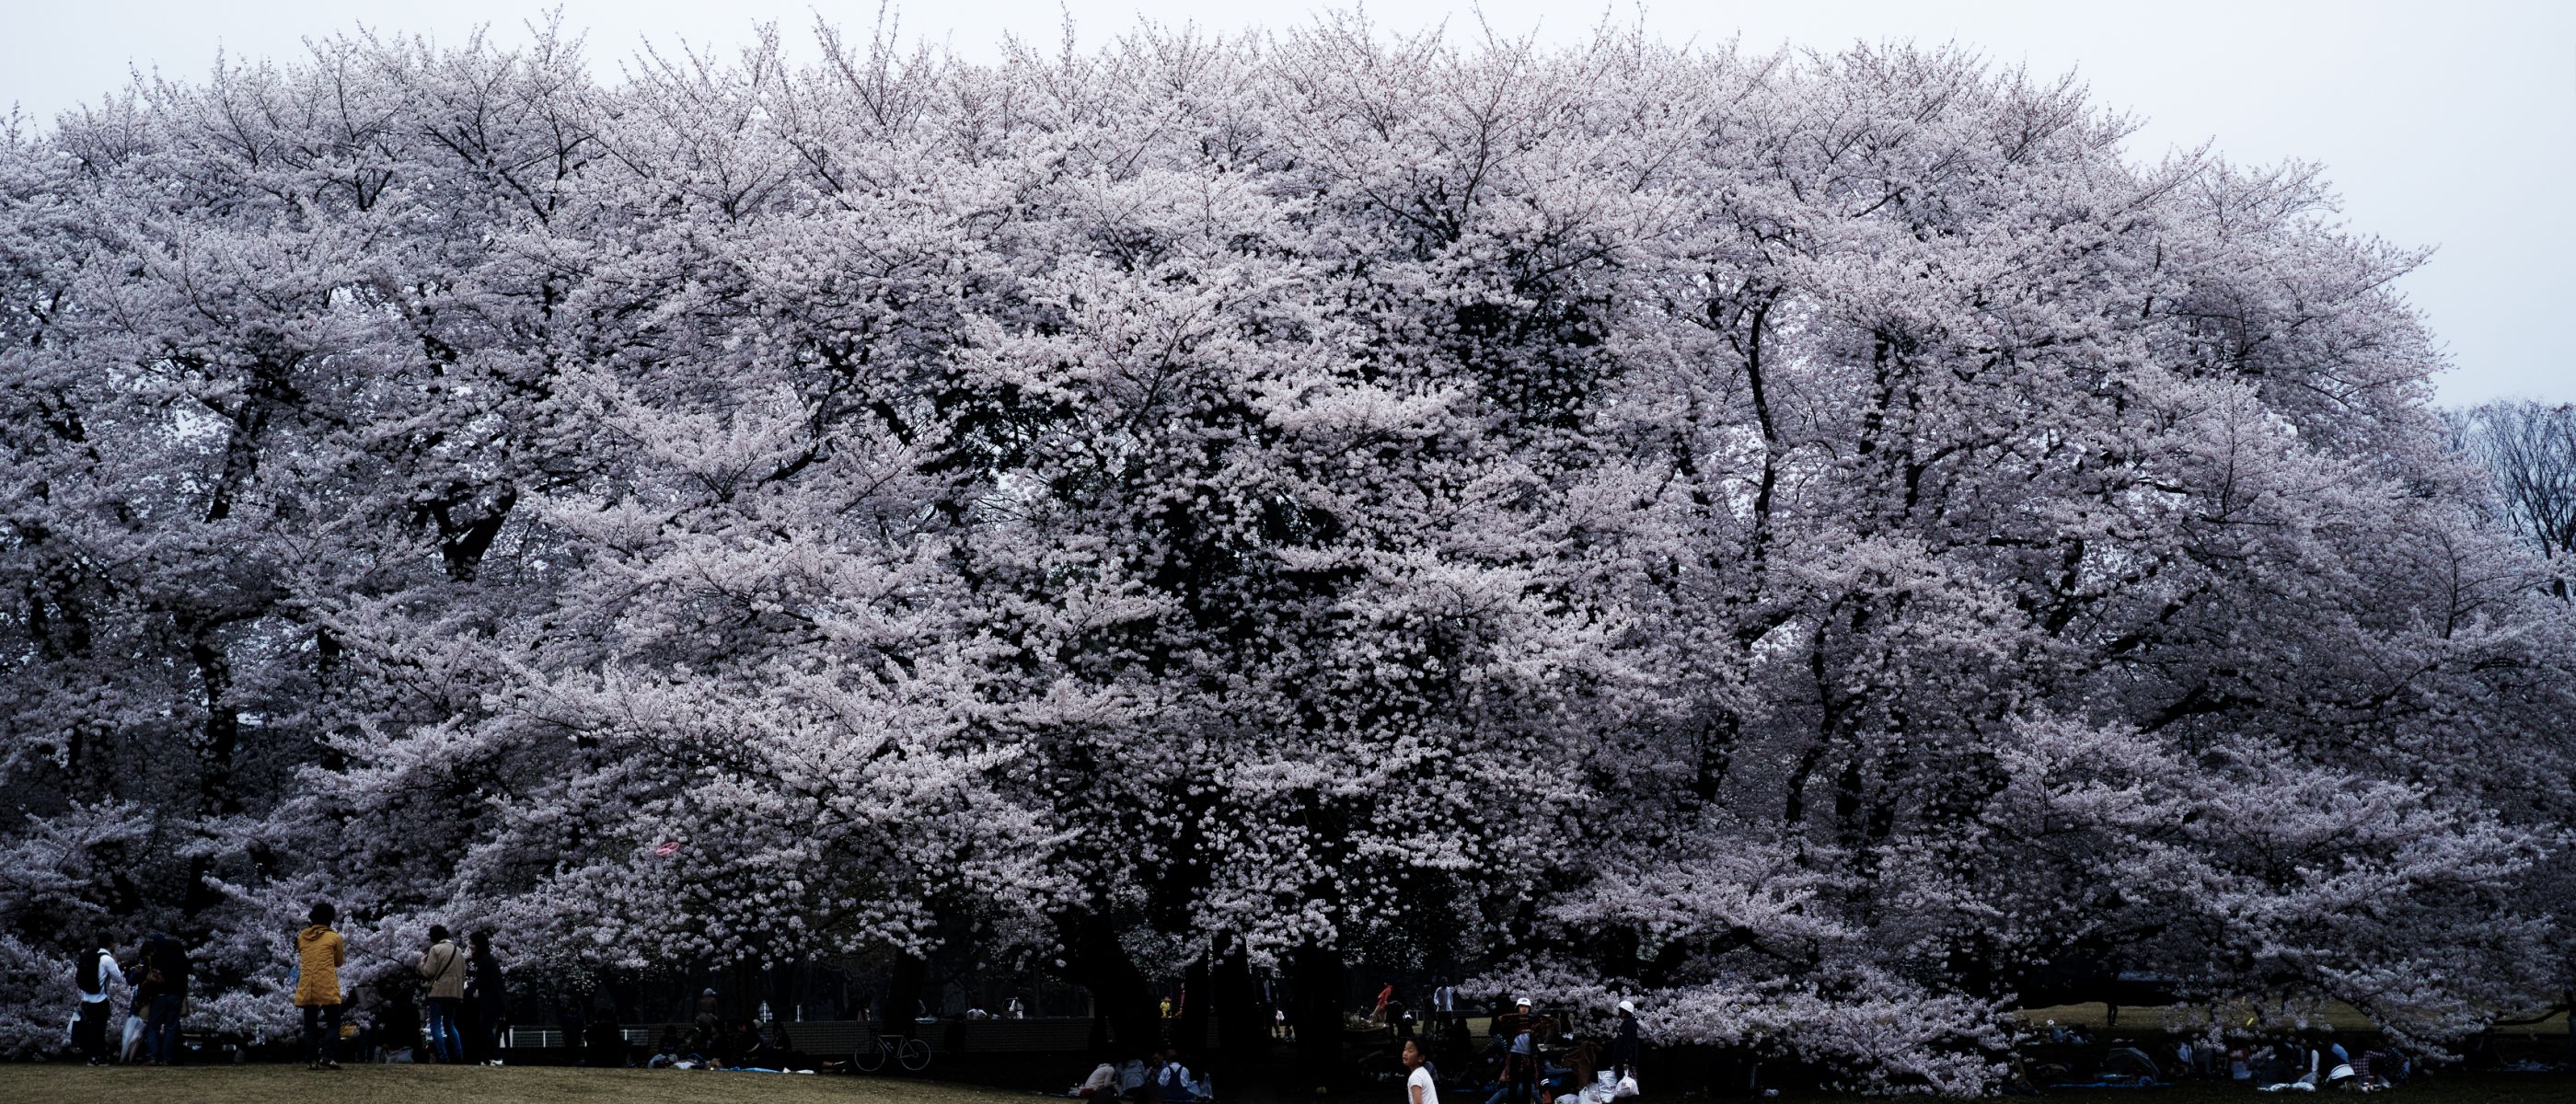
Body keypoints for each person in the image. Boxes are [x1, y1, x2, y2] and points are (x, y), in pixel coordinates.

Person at [295, 903, 348, 1070]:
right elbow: (339, 962)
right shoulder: (334, 938)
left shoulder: (302, 936)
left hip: (308, 985)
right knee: (333, 1023)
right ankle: (327, 1057)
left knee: (310, 1025)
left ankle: (312, 1060)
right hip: (327, 985)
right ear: (330, 919)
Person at [416, 925, 468, 1063]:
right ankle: (459, 1054)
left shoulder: (436, 949)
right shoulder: (459, 951)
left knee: (435, 1024)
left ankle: (443, 1056)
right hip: (455, 993)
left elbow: (429, 972)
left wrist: (421, 964)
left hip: (438, 992)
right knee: (449, 1023)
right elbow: (463, 973)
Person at [136, 933, 190, 1065]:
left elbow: (146, 978)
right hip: (175, 996)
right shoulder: (179, 959)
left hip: (159, 996)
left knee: (153, 1027)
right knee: (170, 1028)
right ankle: (167, 1058)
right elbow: (184, 980)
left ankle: (152, 1056)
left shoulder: (155, 959)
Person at [72, 934, 124, 1064]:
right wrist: (115, 962)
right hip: (100, 999)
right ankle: (100, 1057)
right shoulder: (107, 959)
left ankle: (91, 1057)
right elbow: (118, 979)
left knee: (90, 1029)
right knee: (99, 1030)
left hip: (87, 998)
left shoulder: (89, 956)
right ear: (111, 943)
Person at [465, 930, 507, 1064]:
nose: (469, 946)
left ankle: (495, 1057)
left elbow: (479, 980)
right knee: (485, 1029)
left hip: (491, 1000)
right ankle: (487, 1058)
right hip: (492, 999)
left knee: (486, 1029)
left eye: (472, 943)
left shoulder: (485, 960)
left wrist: (465, 991)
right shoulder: (487, 959)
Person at [1608, 1000, 1640, 1081]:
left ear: (1624, 1012)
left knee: (1625, 1083)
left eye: (1620, 1010)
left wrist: (1626, 1060)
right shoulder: (1626, 1024)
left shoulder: (1630, 1025)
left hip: (1625, 1060)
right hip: (1621, 1059)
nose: (1619, 1012)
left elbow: (1629, 1044)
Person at [1405, 1038, 1441, 1104]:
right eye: (1405, 1050)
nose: (1405, 1053)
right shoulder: (1423, 1072)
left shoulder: (1416, 1076)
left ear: (1421, 1058)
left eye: (1410, 1051)